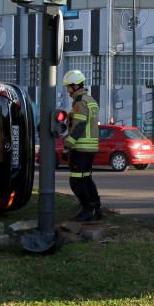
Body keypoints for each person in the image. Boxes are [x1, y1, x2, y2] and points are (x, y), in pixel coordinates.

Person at [62, 69, 101, 222]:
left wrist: (67, 144)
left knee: (76, 181)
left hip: (81, 148)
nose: (67, 90)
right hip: (89, 148)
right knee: (86, 179)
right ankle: (95, 208)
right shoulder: (90, 99)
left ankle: (87, 210)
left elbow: (79, 125)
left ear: (75, 86)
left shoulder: (80, 102)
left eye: (68, 87)